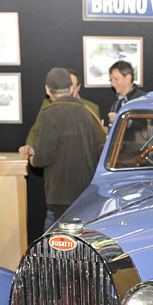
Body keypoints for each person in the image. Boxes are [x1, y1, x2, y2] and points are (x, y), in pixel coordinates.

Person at [28, 67, 107, 229]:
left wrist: (32, 160)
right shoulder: (86, 111)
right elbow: (100, 146)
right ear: (72, 88)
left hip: (60, 192)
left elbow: (44, 157)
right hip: (85, 189)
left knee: (59, 241)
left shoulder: (49, 113)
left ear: (48, 89)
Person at [107, 60, 146, 126]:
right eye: (111, 80)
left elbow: (145, 127)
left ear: (128, 78)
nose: (112, 84)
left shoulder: (143, 100)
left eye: (116, 79)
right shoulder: (116, 104)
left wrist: (122, 120)